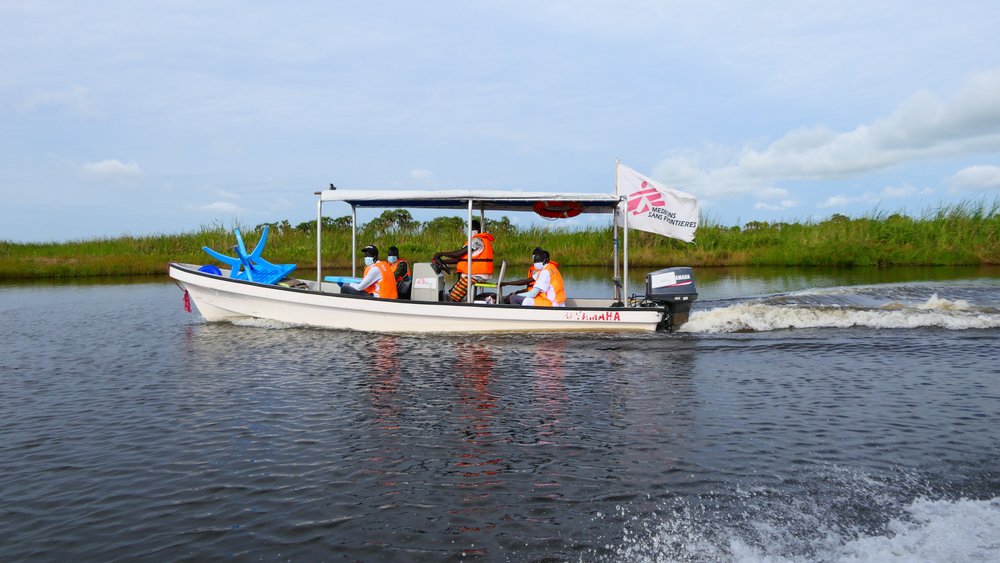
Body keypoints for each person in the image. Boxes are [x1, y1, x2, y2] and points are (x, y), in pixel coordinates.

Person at [433, 219, 495, 302]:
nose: (471, 231)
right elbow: (460, 259)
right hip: (476, 274)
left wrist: (440, 254)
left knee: (452, 298)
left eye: (472, 228)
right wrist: (443, 261)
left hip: (476, 275)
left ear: (478, 229)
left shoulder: (477, 241)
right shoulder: (477, 240)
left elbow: (457, 254)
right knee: (451, 291)